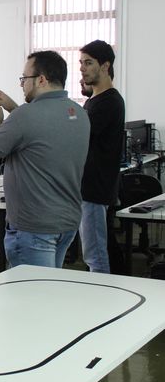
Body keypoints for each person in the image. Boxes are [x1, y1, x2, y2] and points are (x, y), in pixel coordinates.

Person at [0, 50, 90, 268]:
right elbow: (40, 130)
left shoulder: (26, 116)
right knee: (49, 285)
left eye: (24, 78)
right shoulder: (79, 113)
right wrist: (14, 109)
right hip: (67, 222)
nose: (22, 84)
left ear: (41, 79)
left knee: (31, 289)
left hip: (34, 227)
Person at [78, 40, 125, 273]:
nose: (82, 68)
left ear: (105, 66)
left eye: (88, 63)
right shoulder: (93, 101)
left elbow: (78, 135)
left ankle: (102, 293)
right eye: (81, 63)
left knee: (95, 256)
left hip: (95, 190)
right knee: (98, 251)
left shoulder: (109, 102)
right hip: (90, 188)